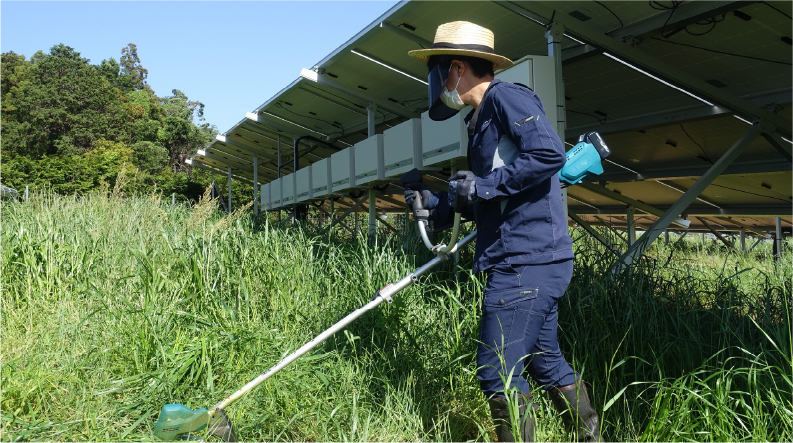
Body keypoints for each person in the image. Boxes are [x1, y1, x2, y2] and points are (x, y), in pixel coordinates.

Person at [403, 21, 602, 442]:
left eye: (438, 72)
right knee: (546, 364)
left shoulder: (505, 97)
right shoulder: (480, 119)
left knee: (496, 371)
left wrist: (484, 184)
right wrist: (435, 206)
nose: (437, 83)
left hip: (525, 263)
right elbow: (493, 198)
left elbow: (547, 153)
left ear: (457, 68)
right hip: (532, 261)